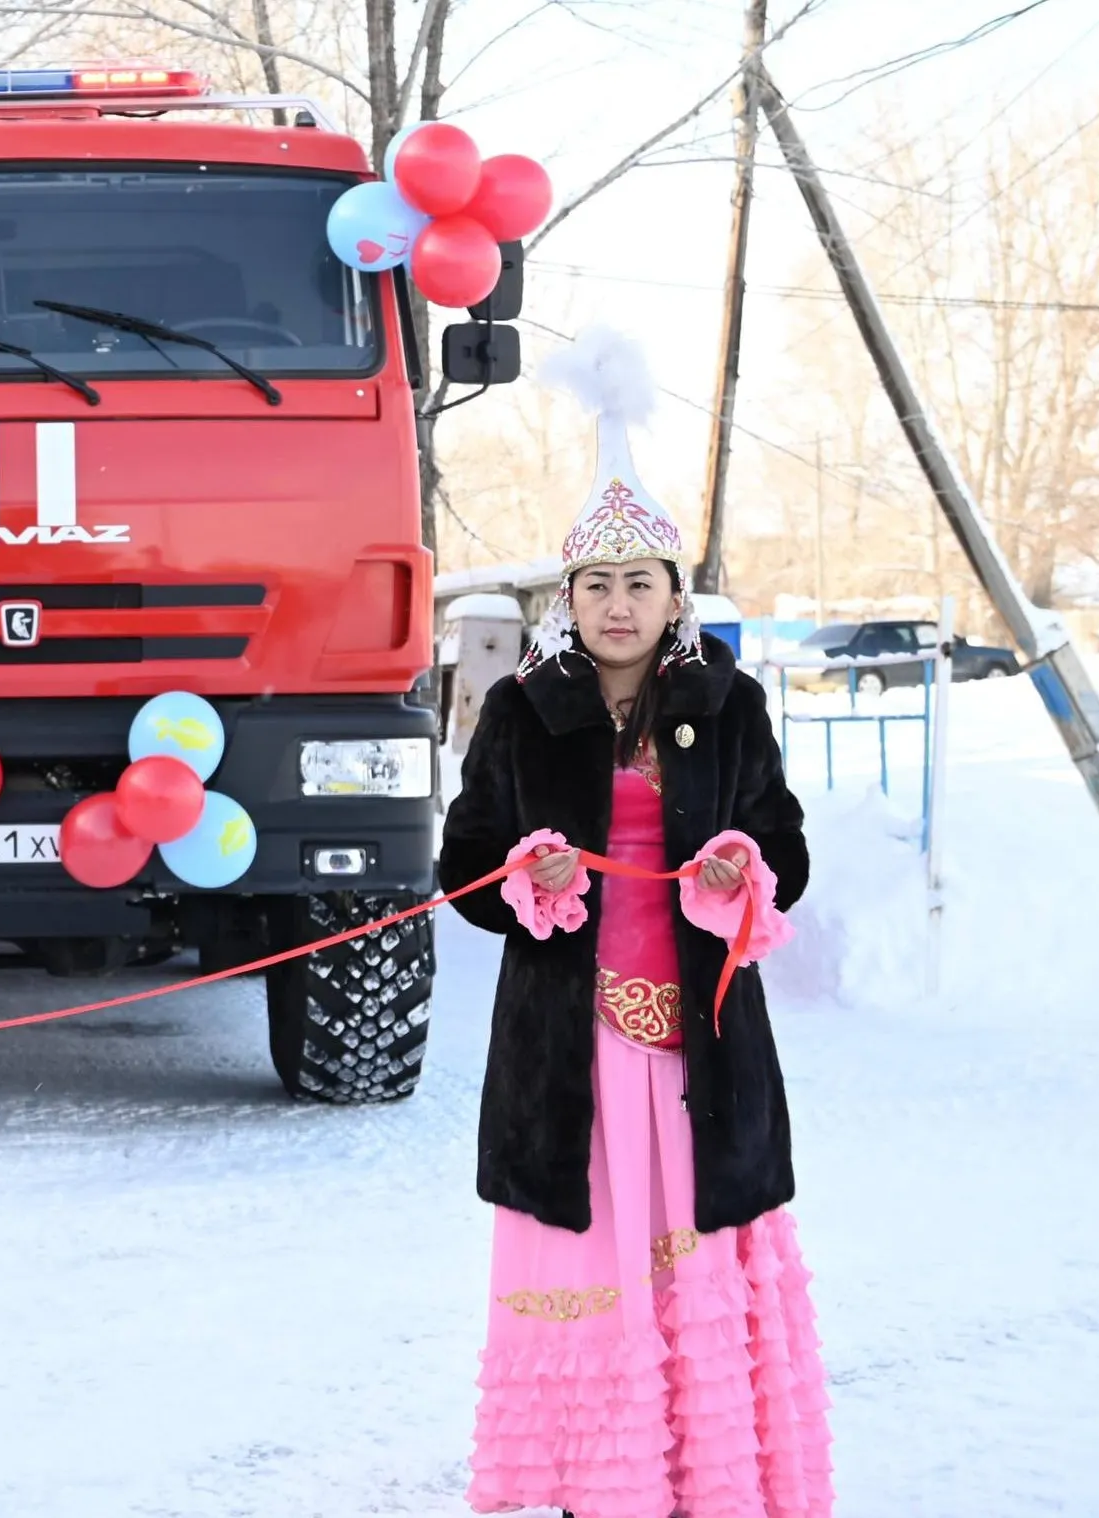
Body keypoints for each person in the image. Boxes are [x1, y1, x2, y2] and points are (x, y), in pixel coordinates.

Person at [438, 330, 832, 1518]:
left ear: (674, 597)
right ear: (570, 600)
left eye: (638, 584)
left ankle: (706, 1478)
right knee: (593, 1255)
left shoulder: (731, 704)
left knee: (690, 1254)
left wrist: (739, 869)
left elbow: (790, 858)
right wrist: (527, 874)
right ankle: (594, 1482)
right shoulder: (520, 714)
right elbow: (460, 874)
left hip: (699, 1051)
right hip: (572, 1053)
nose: (617, 606)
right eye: (595, 586)